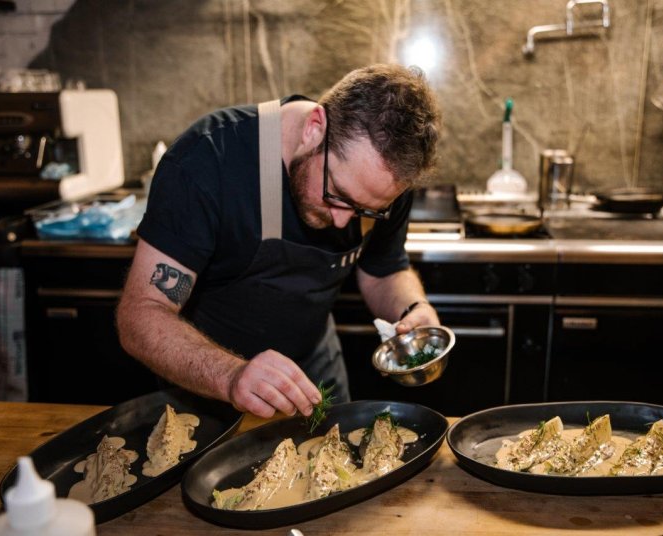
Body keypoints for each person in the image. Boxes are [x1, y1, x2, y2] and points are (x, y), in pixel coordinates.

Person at [116, 63, 442, 420]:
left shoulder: (384, 182)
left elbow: (383, 269)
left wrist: (412, 310)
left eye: (366, 210)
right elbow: (141, 315)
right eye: (338, 196)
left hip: (315, 373)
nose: (342, 220)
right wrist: (231, 376)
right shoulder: (207, 161)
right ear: (314, 128)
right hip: (205, 386)